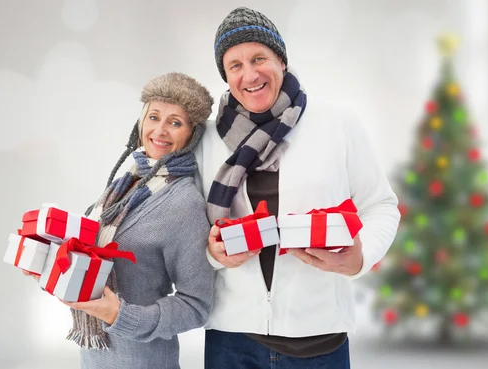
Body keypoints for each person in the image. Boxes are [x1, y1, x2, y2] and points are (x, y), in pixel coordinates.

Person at [194, 7, 400, 369]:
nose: (250, 74)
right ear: (226, 77)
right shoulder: (207, 140)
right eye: (235, 65)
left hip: (320, 339)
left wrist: (360, 257)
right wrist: (213, 255)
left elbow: (380, 205)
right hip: (232, 341)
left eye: (259, 58)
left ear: (282, 62)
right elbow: (189, 230)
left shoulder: (337, 125)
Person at [47, 72, 215, 369]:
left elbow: (196, 306)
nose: (160, 130)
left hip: (145, 361)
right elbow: (92, 253)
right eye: (153, 117)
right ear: (140, 122)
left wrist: (119, 315)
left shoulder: (184, 202)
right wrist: (50, 262)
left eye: (175, 122)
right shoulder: (123, 186)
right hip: (96, 356)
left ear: (192, 135)